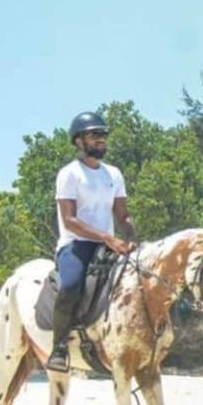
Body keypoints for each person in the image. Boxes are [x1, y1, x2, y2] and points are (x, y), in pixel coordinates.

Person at [46, 112, 136, 373]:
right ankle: (59, 348)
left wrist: (130, 235)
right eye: (94, 135)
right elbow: (70, 220)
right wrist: (108, 237)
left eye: (103, 135)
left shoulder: (114, 174)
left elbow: (122, 214)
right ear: (78, 141)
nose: (101, 140)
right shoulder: (69, 174)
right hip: (76, 244)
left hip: (108, 245)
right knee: (71, 286)